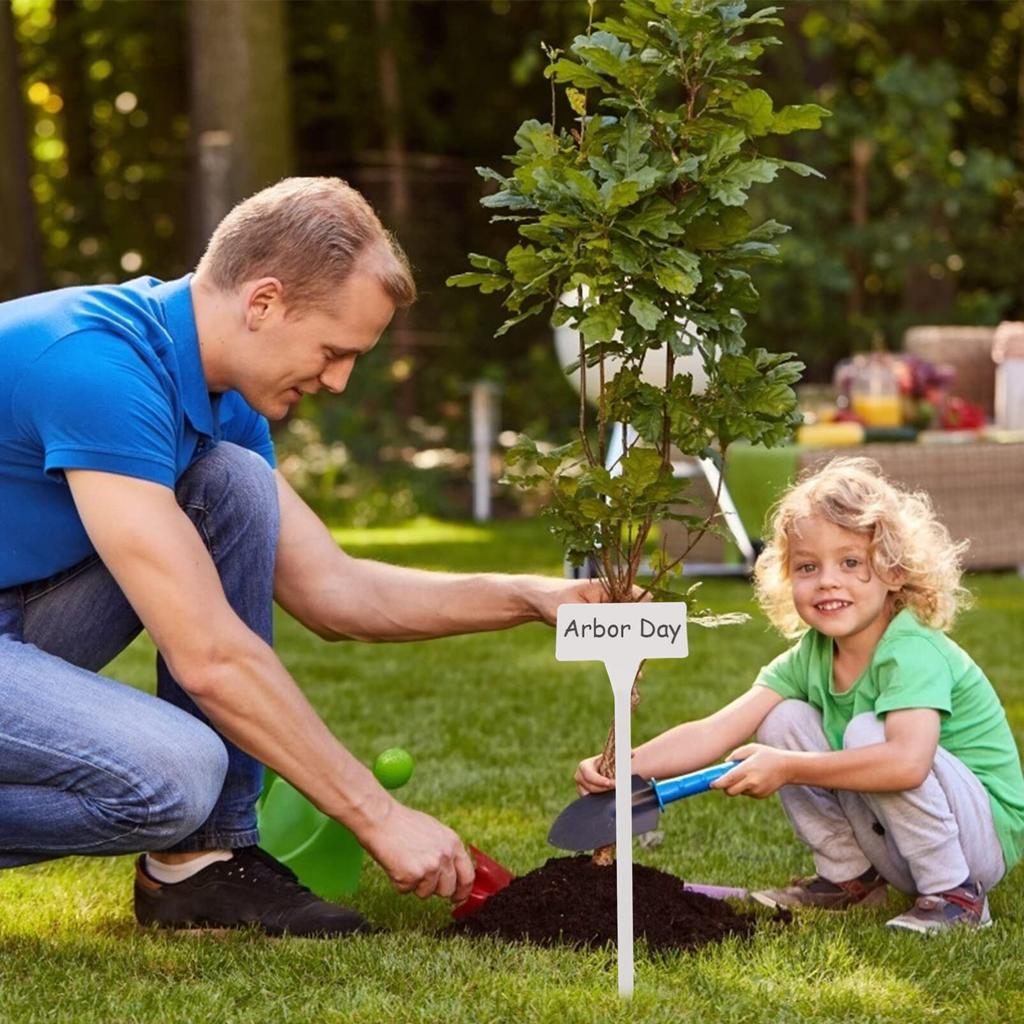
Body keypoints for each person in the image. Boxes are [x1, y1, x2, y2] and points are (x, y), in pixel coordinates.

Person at [0, 176, 612, 938]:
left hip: (20, 613)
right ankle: (198, 837)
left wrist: (530, 597)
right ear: (263, 302)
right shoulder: (100, 370)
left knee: (234, 483)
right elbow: (209, 656)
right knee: (179, 772)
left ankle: (200, 866)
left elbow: (334, 591)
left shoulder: (222, 401)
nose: (338, 380)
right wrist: (377, 815)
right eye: (333, 351)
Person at [575, 456, 1024, 933]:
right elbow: (716, 730)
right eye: (808, 566)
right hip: (903, 840)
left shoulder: (911, 649)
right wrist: (623, 764)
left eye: (851, 562)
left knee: (867, 732)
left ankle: (956, 897)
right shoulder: (813, 655)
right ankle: (850, 880)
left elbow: (907, 764)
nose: (827, 580)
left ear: (894, 571)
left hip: (978, 843)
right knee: (781, 718)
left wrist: (787, 767)